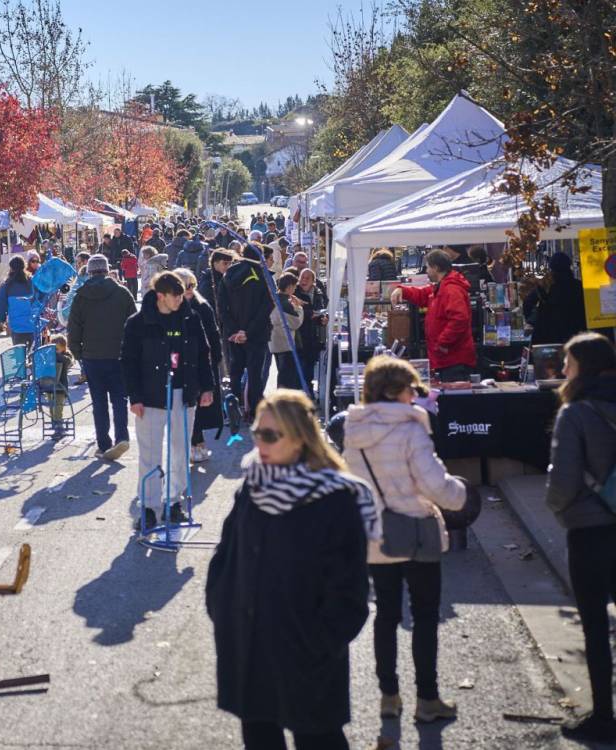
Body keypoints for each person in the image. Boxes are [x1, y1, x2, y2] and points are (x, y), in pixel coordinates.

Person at [206, 390, 376, 750]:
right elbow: (226, 556)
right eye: (256, 432)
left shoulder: (335, 498)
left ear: (299, 438)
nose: (259, 443)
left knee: (319, 739)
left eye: (270, 435)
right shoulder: (253, 485)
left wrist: (318, 644)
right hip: (250, 647)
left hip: (307, 655)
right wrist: (222, 611)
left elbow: (350, 592)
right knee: (260, 736)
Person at [343, 357, 466, 723]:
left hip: (376, 534)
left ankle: (389, 695)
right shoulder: (411, 429)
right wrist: (460, 494)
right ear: (395, 391)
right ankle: (427, 699)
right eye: (411, 388)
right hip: (415, 529)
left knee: (386, 614)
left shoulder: (354, 430)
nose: (416, 395)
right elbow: (433, 484)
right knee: (426, 616)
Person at [544, 332, 616, 742]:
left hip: (589, 528)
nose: (563, 371)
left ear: (581, 369)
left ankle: (604, 714)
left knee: (594, 624)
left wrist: (560, 509)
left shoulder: (576, 413)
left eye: (568, 364)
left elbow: (563, 480)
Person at [121, 272, 215, 522]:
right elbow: (128, 362)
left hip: (184, 393)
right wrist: (135, 397)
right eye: (176, 296)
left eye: (183, 295)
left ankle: (174, 502)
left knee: (180, 450)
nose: (181, 300)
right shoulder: (137, 323)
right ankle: (150, 507)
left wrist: (207, 387)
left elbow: (203, 354)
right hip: (150, 396)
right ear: (161, 296)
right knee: (149, 453)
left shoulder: (190, 318)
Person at [68, 255, 136, 460]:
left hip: (91, 356)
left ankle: (103, 444)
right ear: (107, 270)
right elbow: (134, 324)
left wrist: (78, 354)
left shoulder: (81, 296)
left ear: (89, 272)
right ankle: (122, 437)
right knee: (119, 399)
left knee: (99, 402)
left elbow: (73, 329)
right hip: (119, 355)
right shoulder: (122, 293)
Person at [391, 249, 475, 382]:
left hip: (453, 359)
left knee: (454, 398)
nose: (426, 271)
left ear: (436, 267)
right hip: (447, 358)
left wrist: (443, 343)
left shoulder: (451, 289)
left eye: (428, 267)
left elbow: (459, 319)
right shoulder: (441, 287)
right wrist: (402, 289)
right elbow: (422, 295)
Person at [220, 244, 274, 418]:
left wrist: (234, 330)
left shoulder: (228, 273)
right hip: (256, 334)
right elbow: (267, 306)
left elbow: (222, 306)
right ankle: (253, 410)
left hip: (234, 334)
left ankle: (234, 407)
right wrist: (248, 332)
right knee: (254, 373)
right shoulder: (261, 275)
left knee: (235, 372)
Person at [175, 269, 223, 463]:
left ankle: (197, 443)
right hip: (179, 363)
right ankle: (195, 443)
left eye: (192, 285)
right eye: (185, 286)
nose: (189, 290)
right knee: (187, 405)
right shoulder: (171, 307)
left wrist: (215, 361)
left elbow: (213, 336)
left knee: (195, 404)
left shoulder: (202, 307)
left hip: (199, 363)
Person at [523, 251, 586, 345]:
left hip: (546, 335)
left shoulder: (546, 285)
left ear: (551, 267)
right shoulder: (578, 286)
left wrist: (534, 320)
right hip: (572, 335)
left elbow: (528, 303)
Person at [269, 272, 305, 391]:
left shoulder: (272, 299)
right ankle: (283, 401)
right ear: (289, 287)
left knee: (282, 372)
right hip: (285, 343)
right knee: (286, 376)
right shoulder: (285, 303)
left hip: (274, 342)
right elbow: (295, 323)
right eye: (294, 286)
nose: (295, 289)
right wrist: (299, 308)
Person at [295, 268, 328, 389]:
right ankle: (300, 389)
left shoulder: (318, 293)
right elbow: (293, 310)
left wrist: (323, 319)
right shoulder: (295, 292)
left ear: (313, 281)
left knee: (310, 364)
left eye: (307, 278)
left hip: (314, 335)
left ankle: (308, 389)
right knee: (300, 364)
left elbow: (322, 309)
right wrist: (310, 314)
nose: (304, 280)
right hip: (299, 334)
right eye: (302, 277)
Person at [0, 256, 35, 349]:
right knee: (34, 355)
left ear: (11, 268)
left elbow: (0, 303)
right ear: (24, 266)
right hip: (33, 325)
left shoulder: (7, 284)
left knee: (19, 356)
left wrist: (2, 318)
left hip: (17, 326)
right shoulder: (31, 281)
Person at [46, 334, 74, 437]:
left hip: (60, 386)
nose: (55, 351)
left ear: (63, 347)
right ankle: (55, 423)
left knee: (58, 407)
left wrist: (56, 355)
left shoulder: (65, 357)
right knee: (51, 406)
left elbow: (68, 362)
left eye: (57, 349)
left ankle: (59, 427)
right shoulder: (50, 356)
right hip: (49, 386)